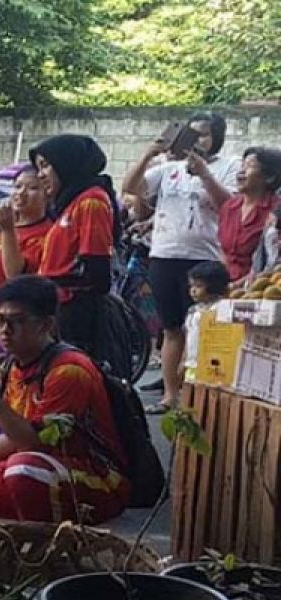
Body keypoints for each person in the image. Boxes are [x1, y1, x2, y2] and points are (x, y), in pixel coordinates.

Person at [0, 276, 128, 524]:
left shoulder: (69, 370)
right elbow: (14, 435)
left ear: (46, 325)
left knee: (23, 469)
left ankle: (38, 546)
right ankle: (22, 516)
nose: (4, 331)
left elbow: (32, 442)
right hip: (36, 468)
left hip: (95, 478)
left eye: (17, 321)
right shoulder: (12, 364)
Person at [121, 112, 240, 413]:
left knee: (204, 327)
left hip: (204, 257)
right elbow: (131, 188)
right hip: (164, 254)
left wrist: (204, 175)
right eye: (193, 133)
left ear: (216, 139)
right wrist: (149, 154)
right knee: (172, 328)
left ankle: (198, 396)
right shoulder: (169, 168)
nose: (197, 140)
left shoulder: (229, 166)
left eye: (204, 134)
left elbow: (229, 207)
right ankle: (170, 395)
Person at [30, 134, 119, 362]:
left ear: (66, 163)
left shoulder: (92, 201)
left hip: (77, 309)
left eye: (46, 166)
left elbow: (96, 266)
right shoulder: (68, 204)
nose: (40, 175)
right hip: (58, 302)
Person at [0, 165, 52, 299]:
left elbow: (16, 276)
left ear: (48, 195)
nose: (21, 193)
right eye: (17, 186)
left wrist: (7, 230)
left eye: (32, 188)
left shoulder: (49, 234)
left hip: (14, 310)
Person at [218, 147, 281, 282]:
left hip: (262, 287)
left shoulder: (276, 210)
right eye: (242, 165)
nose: (241, 171)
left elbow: (274, 261)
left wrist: (241, 285)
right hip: (226, 286)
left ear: (270, 177)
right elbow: (223, 253)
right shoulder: (229, 207)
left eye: (250, 166)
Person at [182, 261, 231, 382]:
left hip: (211, 366)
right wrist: (184, 359)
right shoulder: (193, 311)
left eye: (198, 286)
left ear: (214, 287)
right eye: (191, 286)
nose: (193, 290)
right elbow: (188, 337)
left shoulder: (220, 309)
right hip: (192, 364)